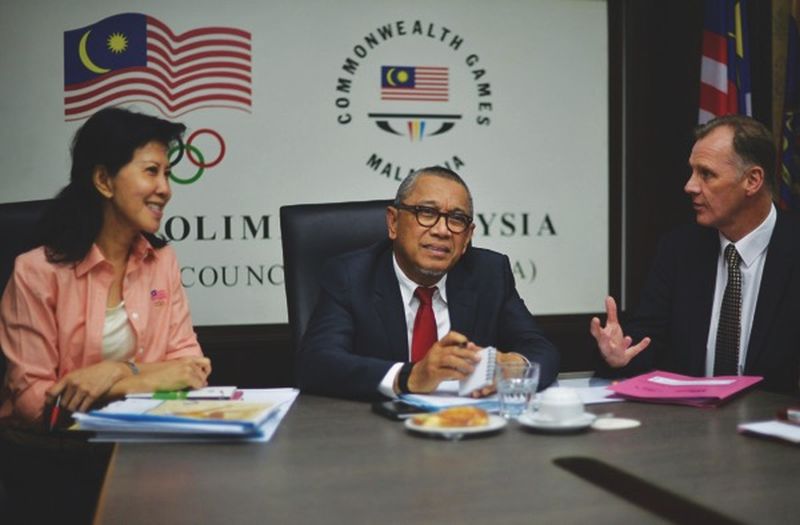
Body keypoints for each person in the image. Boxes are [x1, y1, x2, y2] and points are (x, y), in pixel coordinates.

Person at [0, 107, 211, 426]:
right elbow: (33, 403)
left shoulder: (162, 260)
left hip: (146, 442)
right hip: (58, 451)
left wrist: (116, 372)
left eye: (166, 174)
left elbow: (191, 372)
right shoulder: (36, 272)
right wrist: (142, 382)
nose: (166, 189)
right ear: (103, 180)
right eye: (152, 171)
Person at [297, 166, 559, 400]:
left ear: (467, 236)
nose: (442, 230)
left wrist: (515, 366)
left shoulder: (489, 273)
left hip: (467, 434)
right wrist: (410, 377)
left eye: (456, 219)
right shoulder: (350, 275)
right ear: (393, 222)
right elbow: (317, 363)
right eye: (426, 212)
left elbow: (541, 350)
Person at [591, 115, 800, 393]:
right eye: (692, 172)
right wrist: (618, 357)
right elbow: (646, 347)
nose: (690, 186)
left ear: (752, 180)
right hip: (691, 430)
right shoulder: (679, 250)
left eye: (707, 174)